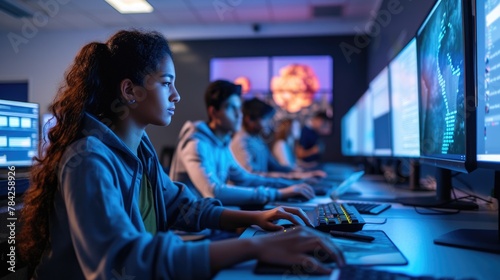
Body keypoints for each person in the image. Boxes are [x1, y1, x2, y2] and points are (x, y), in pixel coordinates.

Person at [18, 30, 344, 279]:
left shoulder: (139, 148)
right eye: (166, 83)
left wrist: (257, 218)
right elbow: (118, 262)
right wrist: (254, 245)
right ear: (130, 91)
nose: (176, 95)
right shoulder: (88, 160)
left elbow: (182, 206)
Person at [169, 80, 316, 207]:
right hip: (192, 235)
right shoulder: (196, 143)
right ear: (213, 112)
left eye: (239, 108)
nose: (239, 114)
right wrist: (278, 193)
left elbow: (246, 178)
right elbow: (214, 191)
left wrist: (291, 186)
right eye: (231, 108)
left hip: (212, 226)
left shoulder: (222, 143)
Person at [230, 97, 326, 179]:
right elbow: (251, 176)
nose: (267, 124)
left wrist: (302, 174)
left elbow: (275, 166)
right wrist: (292, 178)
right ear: (249, 119)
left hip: (263, 192)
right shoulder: (241, 141)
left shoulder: (257, 139)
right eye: (265, 119)